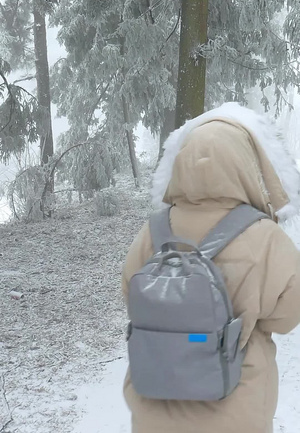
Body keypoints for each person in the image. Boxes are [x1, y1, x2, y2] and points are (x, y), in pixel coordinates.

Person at [122, 102, 300, 433]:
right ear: (246, 165)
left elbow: (131, 294)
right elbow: (288, 316)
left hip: (154, 405)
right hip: (235, 405)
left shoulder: (152, 231)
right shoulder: (265, 237)